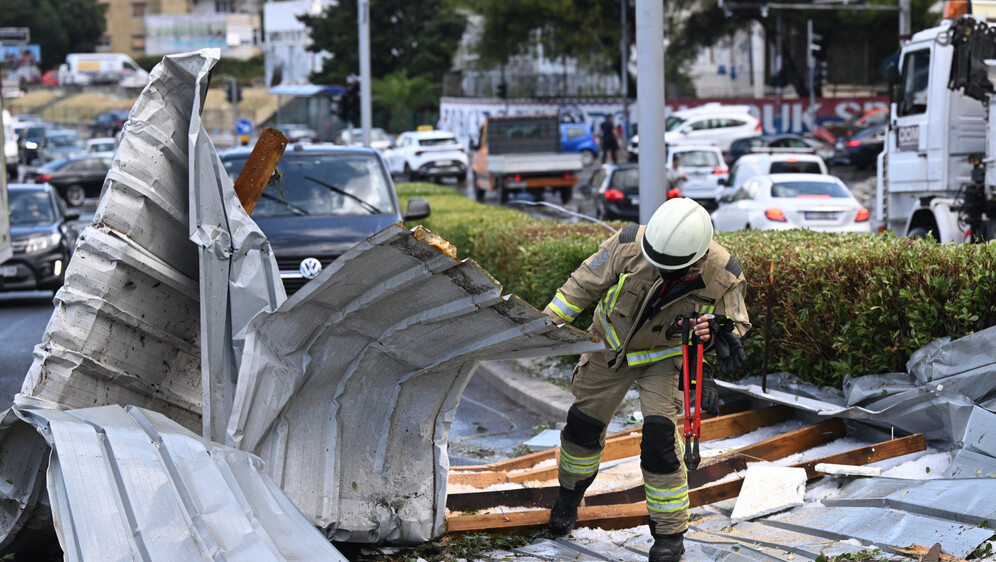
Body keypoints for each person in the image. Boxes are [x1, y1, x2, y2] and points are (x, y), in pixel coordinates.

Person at [543, 197, 750, 562]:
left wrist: (719, 330)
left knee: (659, 442)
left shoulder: (723, 273)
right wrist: (541, 328)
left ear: (698, 255)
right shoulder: (627, 243)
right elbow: (581, 286)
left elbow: (737, 322)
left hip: (664, 359)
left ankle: (669, 537)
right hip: (609, 347)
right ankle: (569, 496)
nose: (660, 271)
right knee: (582, 428)